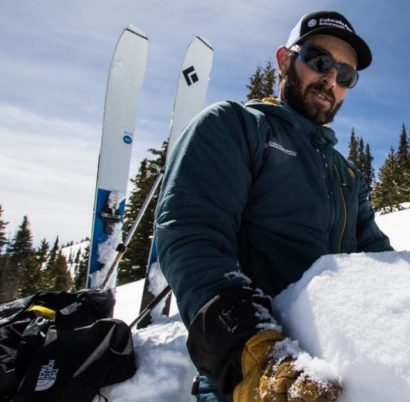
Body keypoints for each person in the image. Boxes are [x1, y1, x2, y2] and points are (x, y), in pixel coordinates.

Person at [154, 10, 393, 402]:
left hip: (349, 374)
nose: (331, 79)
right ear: (285, 60)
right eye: (319, 61)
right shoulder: (236, 127)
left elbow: (379, 262)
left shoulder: (346, 175)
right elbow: (193, 237)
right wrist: (258, 354)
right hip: (249, 373)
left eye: (346, 75)